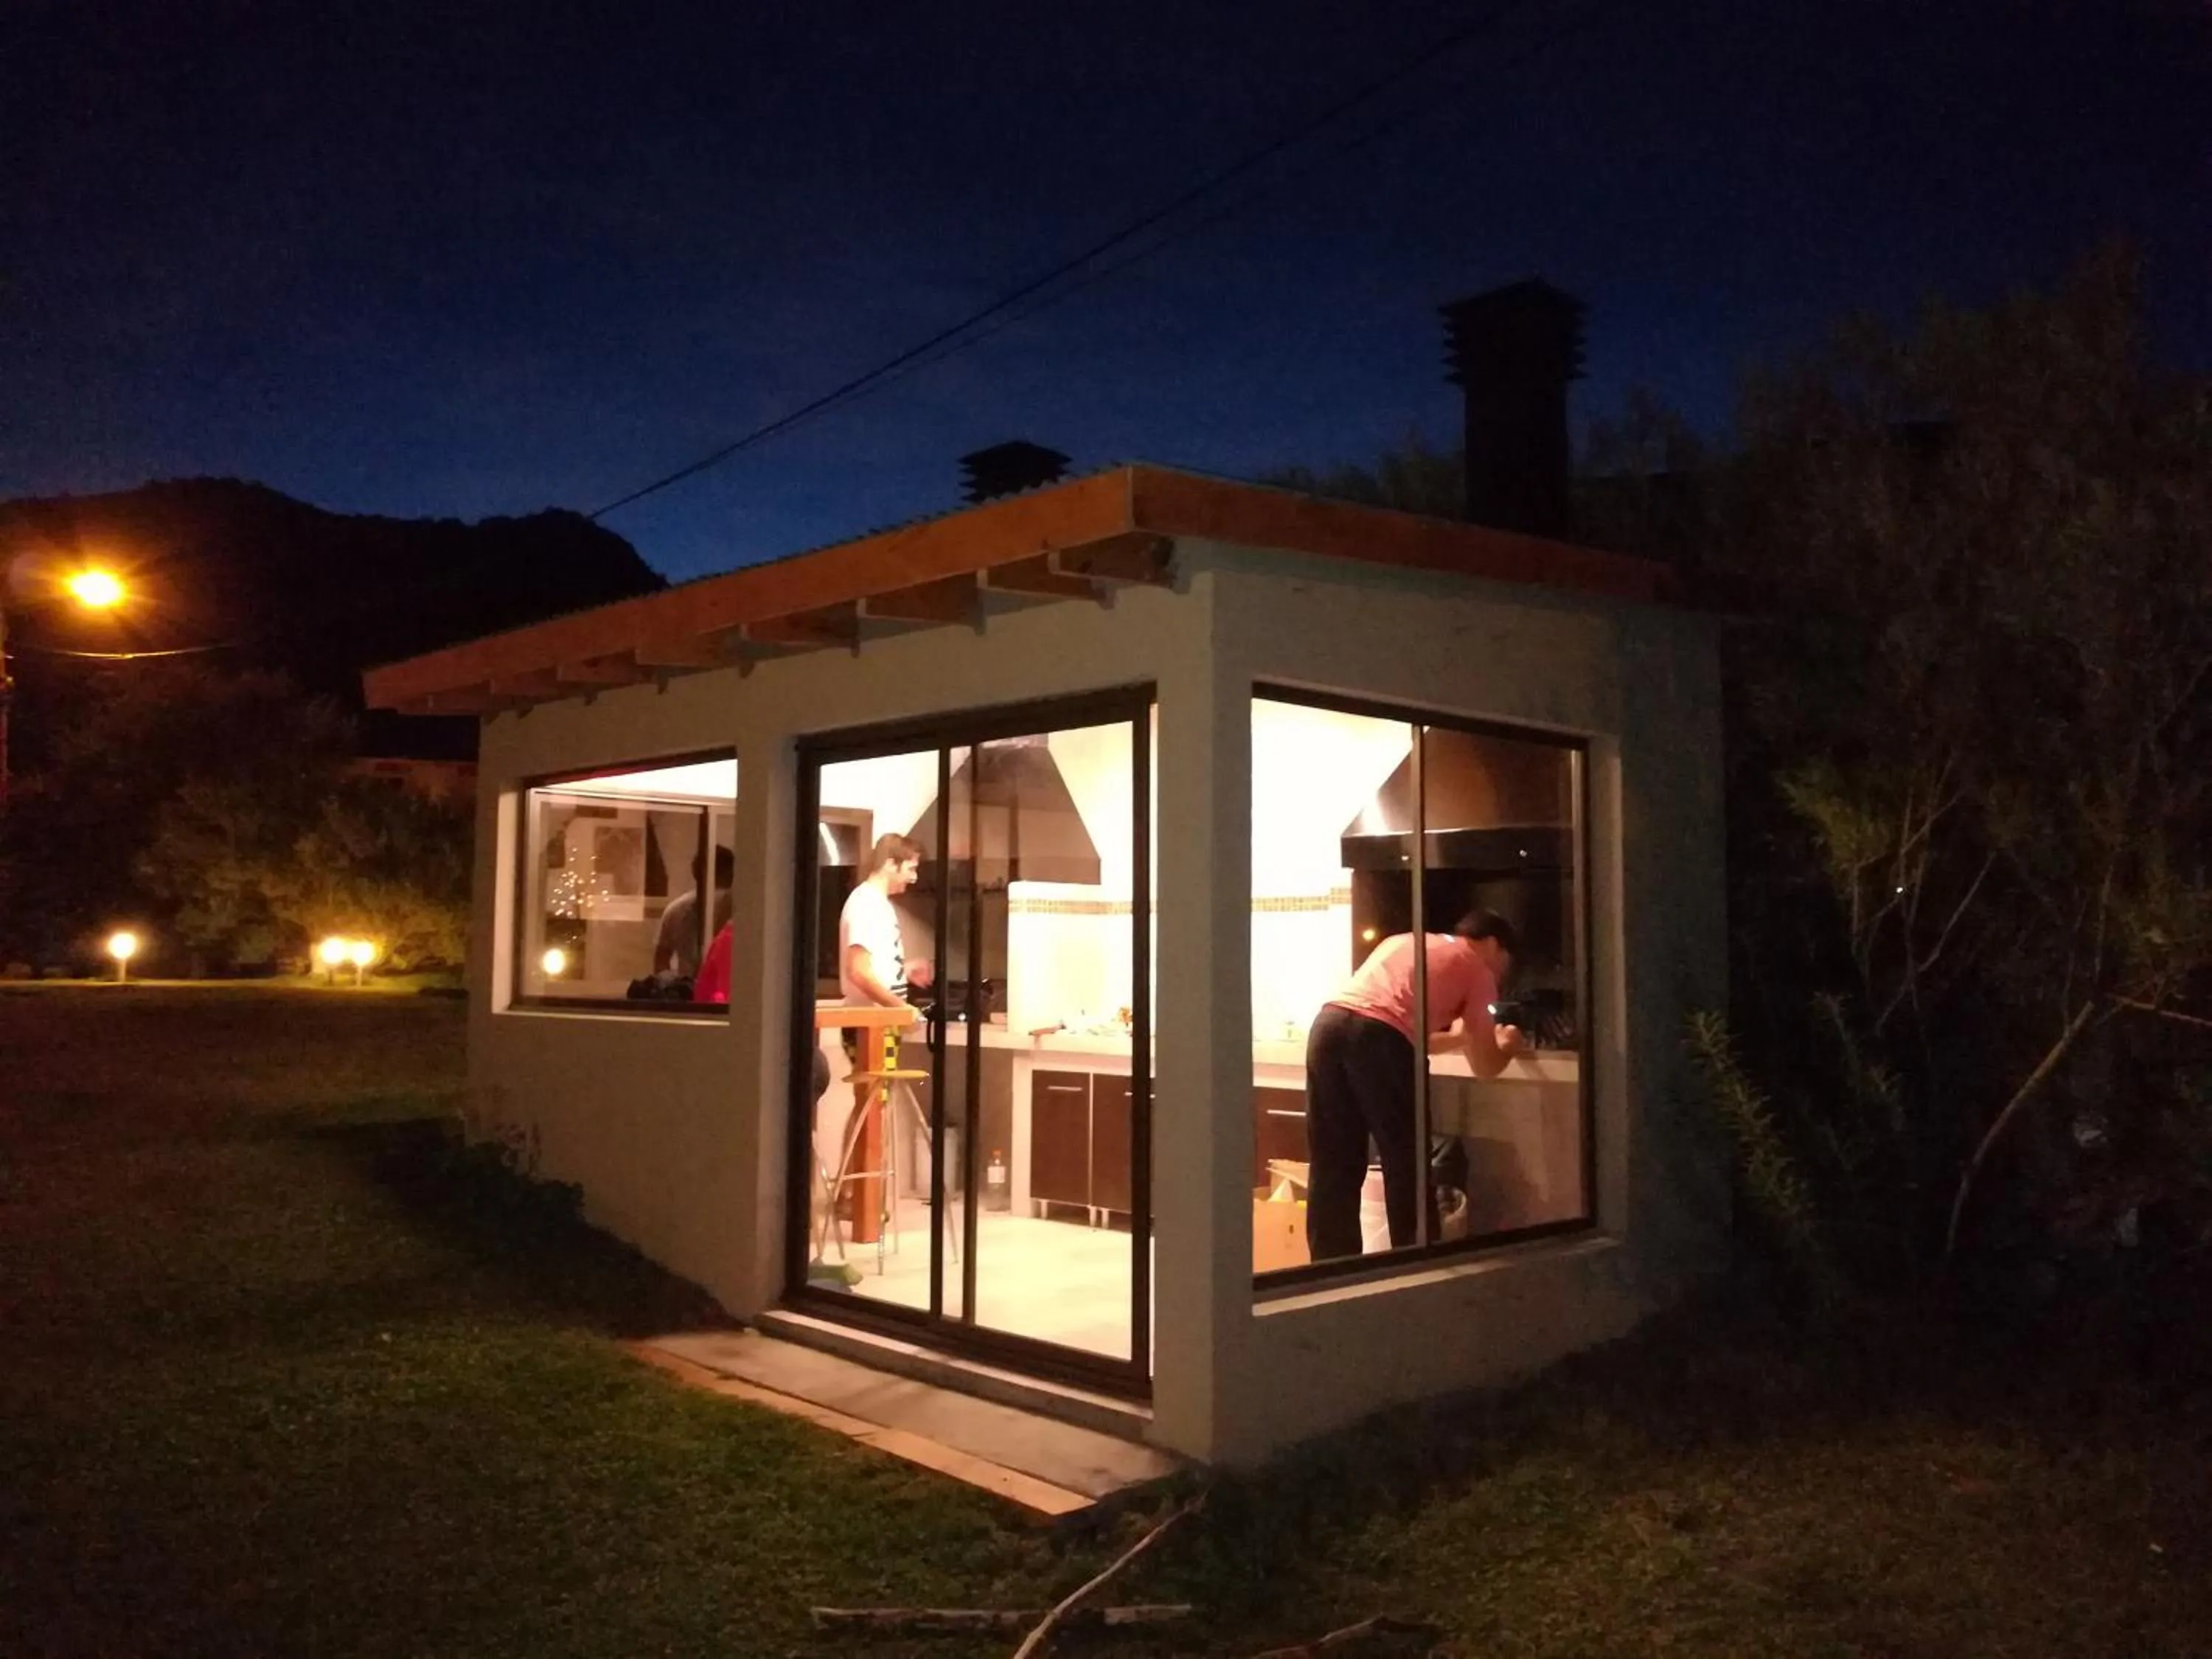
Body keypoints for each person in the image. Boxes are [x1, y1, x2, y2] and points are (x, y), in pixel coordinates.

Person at [1304, 908, 1526, 1262]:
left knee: (1334, 1160)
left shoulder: (1405, 941)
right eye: (1505, 961)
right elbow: (1484, 1064)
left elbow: (1394, 1027)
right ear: (1493, 944)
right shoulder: (1477, 967)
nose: (1502, 972)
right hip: (1378, 1037)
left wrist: (1458, 1039)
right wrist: (1509, 1045)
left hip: (1327, 1028)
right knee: (1406, 1160)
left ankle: (1330, 1268)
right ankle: (1415, 1265)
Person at [838, 833, 933, 1009]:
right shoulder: (866, 903)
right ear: (890, 864)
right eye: (911, 869)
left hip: (880, 1019)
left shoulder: (878, 903)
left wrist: (904, 969)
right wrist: (900, 1008)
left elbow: (871, 967)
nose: (914, 878)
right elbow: (858, 971)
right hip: (870, 1023)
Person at [653, 845, 735, 978]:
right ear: (732, 873)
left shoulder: (676, 909)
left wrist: (672, 989)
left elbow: (661, 961)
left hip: (689, 992)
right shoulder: (740, 910)